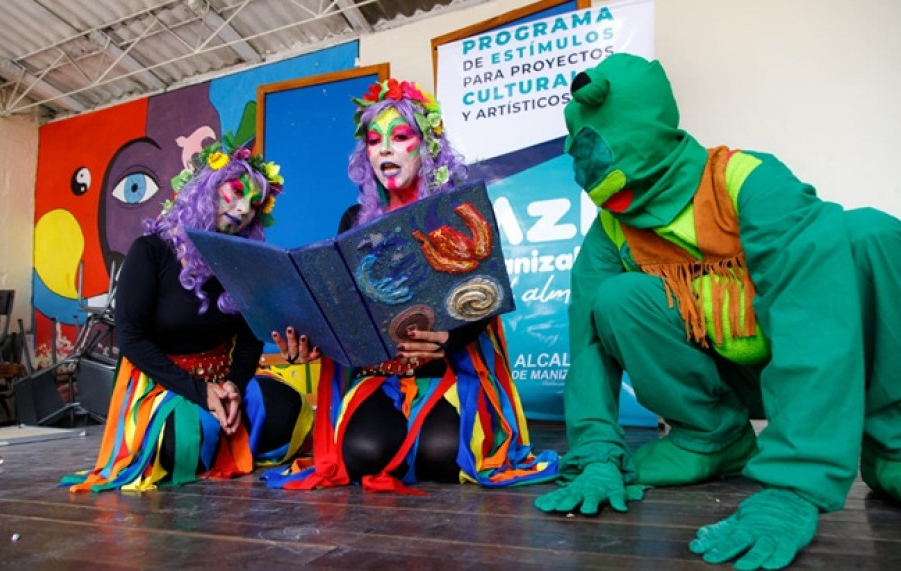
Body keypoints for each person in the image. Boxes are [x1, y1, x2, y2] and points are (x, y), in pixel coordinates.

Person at [533, 52, 901, 570]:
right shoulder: (611, 228)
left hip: (806, 363)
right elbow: (587, 344)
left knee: (866, 233)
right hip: (727, 376)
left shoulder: (746, 179)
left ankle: (892, 444)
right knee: (614, 300)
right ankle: (714, 438)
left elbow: (812, 320)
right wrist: (595, 452)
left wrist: (796, 481)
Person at [265, 78, 558, 493]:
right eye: (373, 139)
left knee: (442, 456)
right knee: (362, 455)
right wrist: (314, 340)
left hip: (448, 373)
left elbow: (484, 303)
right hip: (379, 375)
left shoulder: (458, 208)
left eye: (399, 136)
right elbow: (345, 310)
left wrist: (446, 339)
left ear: (425, 146)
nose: (384, 148)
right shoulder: (353, 220)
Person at [62, 137, 313, 492]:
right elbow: (131, 339)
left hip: (224, 381)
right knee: (188, 438)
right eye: (235, 192)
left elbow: (248, 337)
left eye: (254, 203)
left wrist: (233, 388)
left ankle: (224, 426)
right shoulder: (149, 251)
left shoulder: (242, 262)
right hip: (164, 383)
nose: (243, 209)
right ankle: (213, 434)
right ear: (205, 189)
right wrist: (198, 391)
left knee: (290, 411)